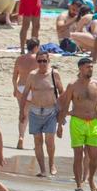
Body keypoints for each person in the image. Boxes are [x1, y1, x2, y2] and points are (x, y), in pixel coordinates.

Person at [57, 58, 97, 191]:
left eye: (91, 67)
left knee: (94, 156)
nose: (90, 69)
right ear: (80, 68)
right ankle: (79, 185)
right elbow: (66, 105)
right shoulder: (72, 85)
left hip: (93, 123)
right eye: (87, 67)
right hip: (77, 122)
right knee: (78, 155)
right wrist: (60, 125)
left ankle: (91, 178)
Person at [17, 47, 62, 180]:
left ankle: (52, 164)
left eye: (44, 61)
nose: (42, 63)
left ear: (48, 60)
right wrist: (21, 112)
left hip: (51, 111)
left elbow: (62, 93)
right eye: (40, 61)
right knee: (38, 141)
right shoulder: (32, 75)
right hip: (35, 111)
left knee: (49, 140)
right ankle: (42, 169)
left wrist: (62, 112)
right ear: (36, 61)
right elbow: (25, 94)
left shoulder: (54, 74)